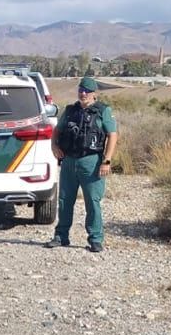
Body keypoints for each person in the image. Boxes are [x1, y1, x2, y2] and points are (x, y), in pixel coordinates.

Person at [50, 76, 120, 252]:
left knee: (92, 201)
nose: (83, 94)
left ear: (94, 93)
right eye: (81, 90)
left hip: (92, 162)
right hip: (69, 161)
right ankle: (61, 236)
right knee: (65, 200)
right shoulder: (70, 110)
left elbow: (113, 135)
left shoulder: (102, 111)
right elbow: (56, 130)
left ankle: (95, 239)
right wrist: (54, 146)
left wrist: (107, 160)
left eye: (87, 91)